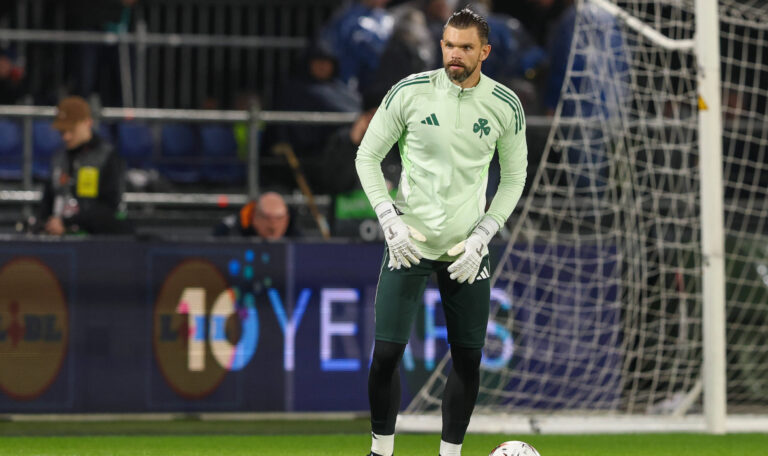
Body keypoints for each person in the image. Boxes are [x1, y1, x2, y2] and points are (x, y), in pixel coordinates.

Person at [355, 8, 527, 456]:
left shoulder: (505, 105)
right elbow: (366, 157)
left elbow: (513, 178)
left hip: (467, 248)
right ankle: (381, 451)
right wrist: (389, 221)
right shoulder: (410, 92)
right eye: (449, 44)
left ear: (484, 52)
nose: (455, 54)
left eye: (466, 47)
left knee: (469, 358)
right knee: (387, 356)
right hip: (408, 243)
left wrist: (483, 235)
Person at [37, 96, 130, 235]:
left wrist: (69, 223)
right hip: (59, 239)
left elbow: (110, 207)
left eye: (71, 130)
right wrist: (46, 224)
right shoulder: (59, 158)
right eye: (62, 131)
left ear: (87, 122)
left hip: (96, 242)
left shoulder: (107, 156)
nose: (66, 137)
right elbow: (47, 203)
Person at [213, 192, 294, 240]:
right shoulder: (227, 231)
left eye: (279, 218)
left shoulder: (296, 237)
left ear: (286, 220)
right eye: (267, 218)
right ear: (255, 217)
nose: (273, 225)